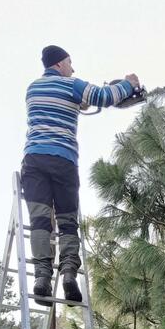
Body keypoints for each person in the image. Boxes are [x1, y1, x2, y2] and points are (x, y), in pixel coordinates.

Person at [21, 45, 140, 304]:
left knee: (40, 221)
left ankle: (41, 278)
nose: (73, 68)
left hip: (34, 162)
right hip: (63, 161)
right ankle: (68, 276)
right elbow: (103, 96)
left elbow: (71, 103)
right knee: (67, 222)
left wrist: (81, 102)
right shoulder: (72, 85)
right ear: (60, 65)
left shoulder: (32, 89)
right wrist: (129, 85)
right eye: (70, 63)